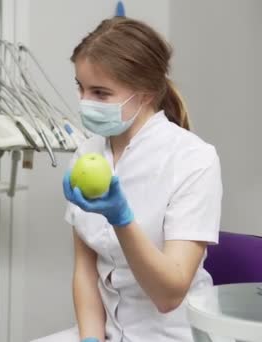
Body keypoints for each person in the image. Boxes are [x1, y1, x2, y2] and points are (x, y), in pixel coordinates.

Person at [32, 17, 222, 342]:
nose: (85, 102)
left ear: (146, 93)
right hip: (107, 333)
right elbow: (85, 270)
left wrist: (121, 219)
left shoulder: (193, 159)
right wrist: (91, 338)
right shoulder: (87, 154)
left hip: (173, 334)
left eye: (101, 93)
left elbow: (169, 295)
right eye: (80, 87)